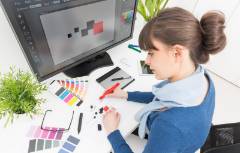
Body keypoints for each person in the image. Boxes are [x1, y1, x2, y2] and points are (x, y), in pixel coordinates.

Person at [102, 7, 226, 153]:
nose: (147, 61)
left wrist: (112, 133)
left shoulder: (168, 125)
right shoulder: (203, 78)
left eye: (151, 53)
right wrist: (127, 94)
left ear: (177, 53)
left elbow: (167, 120)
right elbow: (163, 97)